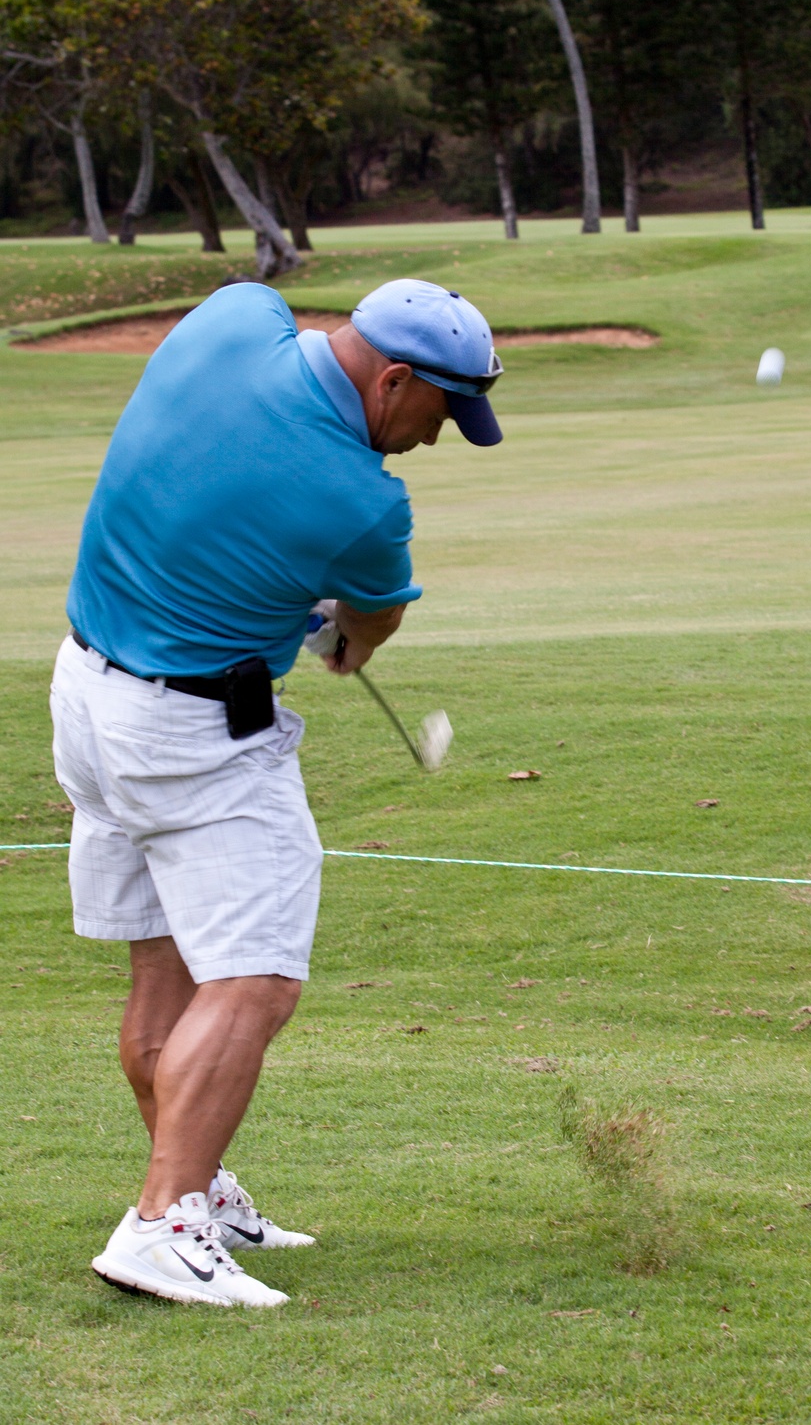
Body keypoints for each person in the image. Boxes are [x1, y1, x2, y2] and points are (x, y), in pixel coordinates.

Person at [50, 277, 503, 1308]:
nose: (436, 439)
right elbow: (362, 632)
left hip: (86, 690)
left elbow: (245, 385)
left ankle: (193, 1188)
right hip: (193, 739)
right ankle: (164, 1224)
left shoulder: (229, 321)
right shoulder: (361, 499)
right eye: (440, 412)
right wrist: (332, 630)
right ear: (394, 379)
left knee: (168, 967)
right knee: (254, 979)